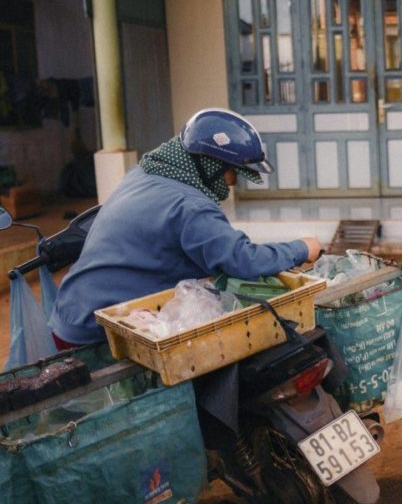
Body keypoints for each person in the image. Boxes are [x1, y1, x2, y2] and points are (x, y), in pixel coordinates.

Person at [49, 108, 322, 348]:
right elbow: (242, 259)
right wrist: (302, 247)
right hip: (98, 329)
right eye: (232, 173)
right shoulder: (191, 207)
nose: (232, 183)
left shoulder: (145, 174)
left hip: (69, 312)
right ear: (210, 164)